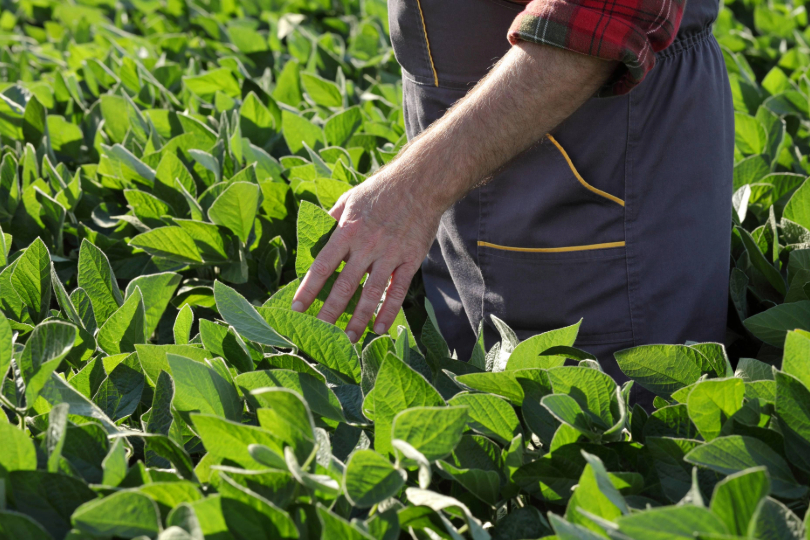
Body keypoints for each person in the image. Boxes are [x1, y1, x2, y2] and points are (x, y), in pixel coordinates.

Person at [291, 0, 733, 396]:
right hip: (458, 166)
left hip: (598, 157)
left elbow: (608, 14)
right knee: (483, 408)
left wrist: (413, 190)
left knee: (601, 428)